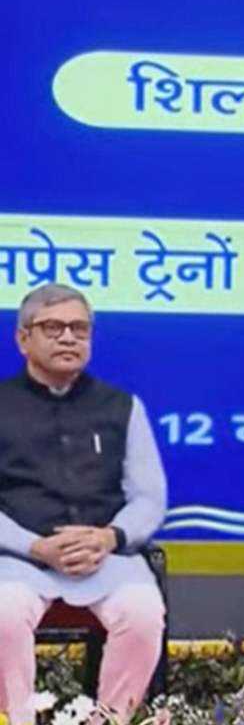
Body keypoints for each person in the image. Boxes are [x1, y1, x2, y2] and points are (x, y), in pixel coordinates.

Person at [0, 284, 167, 724]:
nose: (69, 338)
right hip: (17, 559)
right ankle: (15, 718)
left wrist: (109, 537)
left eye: (79, 328)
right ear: (23, 338)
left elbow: (149, 497)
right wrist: (35, 546)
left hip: (104, 556)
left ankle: (110, 719)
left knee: (143, 614)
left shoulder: (122, 406)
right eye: (53, 327)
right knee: (4, 612)